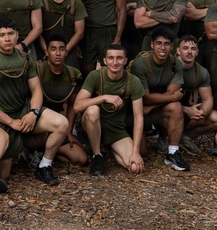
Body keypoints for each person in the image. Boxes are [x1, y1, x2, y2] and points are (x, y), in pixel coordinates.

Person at [0, 18, 70, 186]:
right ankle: (20, 151)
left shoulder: (25, 58)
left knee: (61, 123)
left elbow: (36, 90)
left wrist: (33, 113)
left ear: (17, 35)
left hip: (23, 111)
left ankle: (44, 165)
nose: (7, 38)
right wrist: (10, 122)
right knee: (1, 175)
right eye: (2, 35)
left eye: (11, 34)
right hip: (1, 118)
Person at [73, 44, 145, 176]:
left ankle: (109, 147)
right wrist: (104, 97)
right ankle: (97, 156)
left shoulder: (133, 81)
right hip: (93, 123)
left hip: (116, 127)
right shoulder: (95, 76)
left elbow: (138, 117)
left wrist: (135, 152)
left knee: (135, 167)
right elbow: (77, 106)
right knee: (92, 110)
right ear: (105, 61)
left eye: (119, 58)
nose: (115, 62)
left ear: (125, 60)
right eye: (111, 58)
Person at [128, 26, 186, 170]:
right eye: (159, 43)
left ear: (172, 46)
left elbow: (172, 94)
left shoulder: (175, 64)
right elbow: (145, 98)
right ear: (152, 45)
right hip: (136, 112)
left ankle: (172, 152)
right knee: (142, 151)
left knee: (176, 107)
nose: (163, 48)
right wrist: (170, 97)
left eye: (167, 44)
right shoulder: (141, 64)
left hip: (153, 109)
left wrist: (152, 106)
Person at [28, 38, 88, 167]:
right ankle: (37, 154)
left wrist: (68, 131)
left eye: (62, 49)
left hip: (59, 125)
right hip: (37, 122)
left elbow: (72, 105)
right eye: (53, 49)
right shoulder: (37, 68)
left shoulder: (73, 74)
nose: (58, 53)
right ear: (47, 52)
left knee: (81, 159)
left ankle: (45, 153)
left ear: (67, 52)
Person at [176, 35, 217, 155]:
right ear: (178, 50)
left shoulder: (201, 71)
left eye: (193, 49)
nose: (189, 52)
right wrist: (185, 109)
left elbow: (207, 98)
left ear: (197, 52)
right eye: (185, 48)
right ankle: (165, 139)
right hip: (168, 111)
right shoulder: (169, 66)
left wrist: (202, 112)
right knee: (172, 111)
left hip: (189, 110)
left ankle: (185, 138)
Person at [37, 0, 86, 68]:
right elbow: (36, 29)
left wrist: (66, 50)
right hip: (44, 51)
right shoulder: (40, 2)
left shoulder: (76, 3)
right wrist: (46, 50)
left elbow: (80, 32)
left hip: (69, 51)